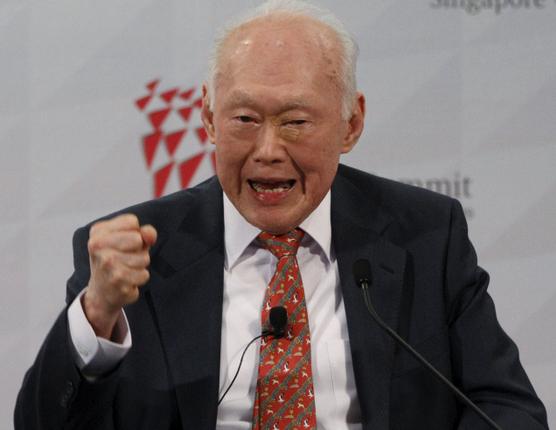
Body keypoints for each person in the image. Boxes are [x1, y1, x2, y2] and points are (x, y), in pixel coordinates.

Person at [15, 1, 548, 429]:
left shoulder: (427, 236)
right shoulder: (134, 254)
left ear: (351, 123)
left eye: (295, 121)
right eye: (245, 119)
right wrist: (97, 313)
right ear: (209, 118)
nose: (268, 150)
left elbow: (509, 410)